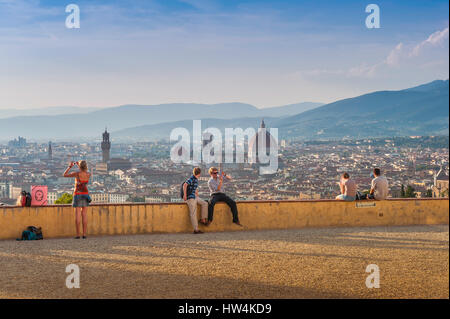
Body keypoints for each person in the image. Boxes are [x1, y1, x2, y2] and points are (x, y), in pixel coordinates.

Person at [63, 160, 91, 239]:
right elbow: (84, 171)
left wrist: (70, 166)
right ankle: (84, 234)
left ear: (80, 166)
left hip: (78, 194)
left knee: (78, 215)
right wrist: (80, 165)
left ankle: (78, 235)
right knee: (84, 216)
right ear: (86, 166)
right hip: (86, 195)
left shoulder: (77, 174)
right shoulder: (88, 174)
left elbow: (64, 175)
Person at [183, 167, 209, 234]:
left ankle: (203, 219)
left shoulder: (196, 179)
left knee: (205, 203)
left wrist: (196, 194)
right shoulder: (192, 178)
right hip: (190, 198)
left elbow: (194, 188)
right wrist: (185, 195)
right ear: (199, 173)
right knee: (193, 214)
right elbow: (185, 185)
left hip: (195, 197)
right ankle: (196, 229)